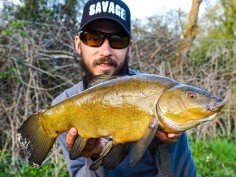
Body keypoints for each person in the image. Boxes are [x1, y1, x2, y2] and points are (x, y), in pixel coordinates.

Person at [52, 0, 196, 176]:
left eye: (118, 40)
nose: (105, 51)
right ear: (78, 44)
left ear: (129, 48)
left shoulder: (160, 94)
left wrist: (167, 142)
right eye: (93, 38)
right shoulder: (63, 107)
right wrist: (96, 154)